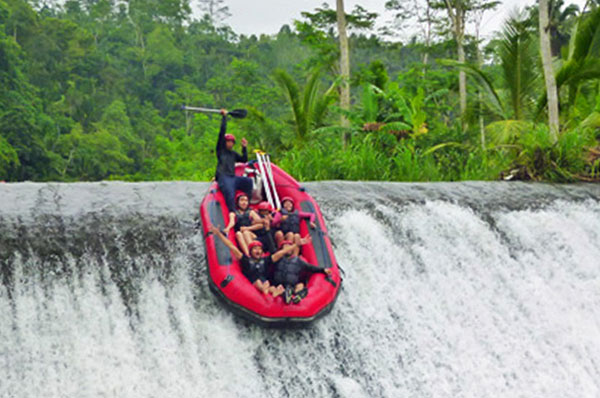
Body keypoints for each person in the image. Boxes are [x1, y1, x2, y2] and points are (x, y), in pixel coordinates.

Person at [209, 226, 296, 296]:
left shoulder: (266, 260)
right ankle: (264, 289)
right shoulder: (246, 260)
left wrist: (296, 245)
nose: (257, 251)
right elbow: (231, 246)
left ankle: (276, 291)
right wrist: (219, 234)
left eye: (259, 249)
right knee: (259, 282)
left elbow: (281, 253)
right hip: (252, 282)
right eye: (255, 249)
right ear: (251, 251)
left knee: (269, 285)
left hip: (265, 282)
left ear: (262, 252)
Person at [216, 109, 253, 215]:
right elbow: (221, 132)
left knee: (248, 182)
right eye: (228, 141)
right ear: (224, 142)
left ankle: (246, 206)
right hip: (223, 177)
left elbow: (244, 160)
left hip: (232, 177)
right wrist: (224, 118)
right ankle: (232, 212)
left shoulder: (233, 154)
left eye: (232, 142)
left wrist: (244, 148)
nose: (230, 143)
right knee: (230, 192)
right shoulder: (220, 150)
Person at [271, 240, 332, 304]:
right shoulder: (277, 258)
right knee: (276, 288)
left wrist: (322, 270)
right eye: (285, 247)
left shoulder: (298, 261)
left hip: (292, 285)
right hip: (278, 284)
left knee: (300, 285)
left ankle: (297, 295)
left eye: (289, 247)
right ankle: (286, 294)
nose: (288, 249)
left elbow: (310, 267)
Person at [223, 192, 259, 256]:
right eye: (242, 200)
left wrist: (247, 228)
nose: (244, 202)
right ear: (238, 202)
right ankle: (248, 254)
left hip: (252, 235)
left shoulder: (251, 212)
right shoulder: (233, 213)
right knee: (238, 233)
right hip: (241, 235)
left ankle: (253, 252)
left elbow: (260, 223)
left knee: (246, 232)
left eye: (246, 200)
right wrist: (227, 228)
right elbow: (232, 222)